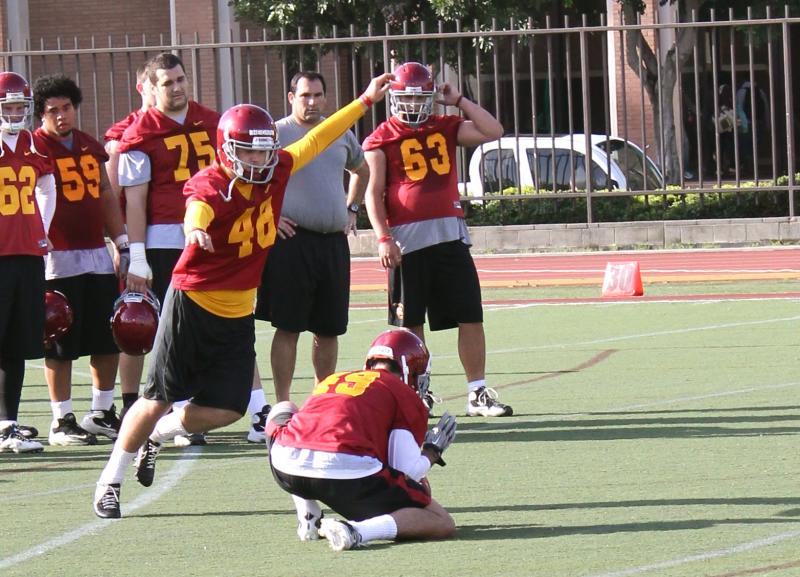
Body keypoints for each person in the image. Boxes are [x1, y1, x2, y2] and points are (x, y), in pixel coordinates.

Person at [92, 71, 394, 519]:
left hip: (238, 312)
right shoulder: (213, 182)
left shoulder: (278, 168)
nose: (260, 156)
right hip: (193, 304)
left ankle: (158, 435)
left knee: (228, 409)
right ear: (228, 150)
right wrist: (194, 229)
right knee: (155, 398)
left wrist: (365, 100)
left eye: (264, 146)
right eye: (249, 147)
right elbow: (197, 206)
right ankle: (109, 481)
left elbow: (321, 137)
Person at [363, 62, 512, 418]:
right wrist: (383, 237)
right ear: (394, 99)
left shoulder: (445, 126)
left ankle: (477, 392)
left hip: (449, 236)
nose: (414, 105)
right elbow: (373, 192)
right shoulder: (381, 137)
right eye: (407, 98)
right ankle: (417, 393)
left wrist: (459, 99)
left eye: (420, 97)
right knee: (411, 325)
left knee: (470, 316)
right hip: (407, 242)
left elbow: (494, 130)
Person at [267, 328, 457, 551]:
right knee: (440, 519)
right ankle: (357, 531)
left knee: (283, 408)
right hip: (345, 473)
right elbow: (405, 472)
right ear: (409, 370)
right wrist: (431, 453)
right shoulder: (401, 392)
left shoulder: (335, 379)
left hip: (285, 467)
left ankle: (307, 511)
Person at [253, 71, 369, 428]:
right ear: (291, 97)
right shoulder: (275, 134)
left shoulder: (339, 132)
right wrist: (268, 219)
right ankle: (283, 404)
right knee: (288, 327)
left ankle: (322, 400)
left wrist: (351, 210)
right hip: (291, 244)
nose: (313, 102)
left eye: (318, 95)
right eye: (305, 95)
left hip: (332, 244)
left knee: (329, 329)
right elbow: (250, 181)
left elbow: (361, 170)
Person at [117, 52, 220, 446]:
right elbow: (137, 202)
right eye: (167, 83)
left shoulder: (211, 122)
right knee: (163, 329)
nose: (176, 88)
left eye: (180, 80)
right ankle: (153, 410)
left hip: (207, 236)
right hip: (163, 239)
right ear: (150, 88)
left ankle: (187, 412)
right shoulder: (139, 132)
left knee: (203, 323)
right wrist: (138, 256)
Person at [32, 74, 128, 445]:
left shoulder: (90, 146)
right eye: (52, 110)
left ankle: (101, 412)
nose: (61, 116)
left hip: (95, 253)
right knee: (60, 341)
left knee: (107, 337)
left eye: (66, 108)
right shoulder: (33, 148)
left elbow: (104, 193)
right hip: (55, 256)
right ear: (40, 115)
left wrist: (120, 239)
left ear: (75, 107)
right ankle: (61, 420)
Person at [0, 71, 56, 454]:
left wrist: (43, 227)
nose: (17, 112)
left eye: (21, 106)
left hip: (27, 253)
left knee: (16, 344)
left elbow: (47, 186)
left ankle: (8, 424)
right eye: (9, 106)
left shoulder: (32, 144)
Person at [103, 62, 155, 422]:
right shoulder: (125, 133)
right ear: (143, 87)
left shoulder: (190, 127)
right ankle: (130, 403)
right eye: (158, 84)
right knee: (134, 321)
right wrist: (121, 244)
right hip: (140, 240)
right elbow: (110, 193)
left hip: (178, 235)